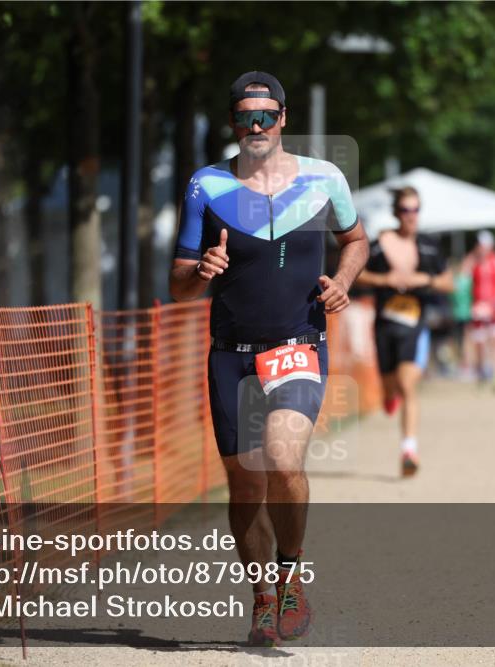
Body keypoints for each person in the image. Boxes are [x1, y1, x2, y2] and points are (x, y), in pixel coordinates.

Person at [168, 71, 369, 647]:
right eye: (244, 117)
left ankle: (291, 575)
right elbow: (179, 283)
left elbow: (356, 240)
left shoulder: (324, 177)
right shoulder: (205, 186)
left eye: (265, 117)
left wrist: (344, 282)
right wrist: (200, 271)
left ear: (283, 118)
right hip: (231, 354)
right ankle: (261, 597)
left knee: (283, 461)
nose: (255, 127)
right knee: (245, 486)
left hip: (297, 344)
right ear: (233, 122)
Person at [354, 186, 452, 477]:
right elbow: (356, 274)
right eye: (407, 210)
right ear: (397, 213)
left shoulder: (429, 246)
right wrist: (386, 279)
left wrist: (427, 279)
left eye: (416, 209)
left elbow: (450, 282)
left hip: (415, 324)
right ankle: (389, 395)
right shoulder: (380, 244)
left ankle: (409, 449)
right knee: (390, 387)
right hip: (385, 324)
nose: (412, 216)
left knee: (408, 384)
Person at [469, 230, 495, 392]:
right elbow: (465, 282)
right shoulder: (473, 262)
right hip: (479, 308)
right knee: (479, 343)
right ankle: (481, 373)